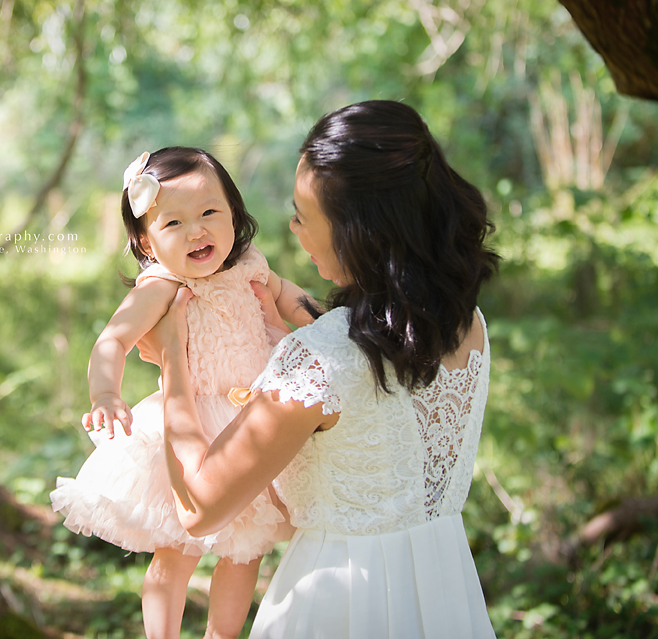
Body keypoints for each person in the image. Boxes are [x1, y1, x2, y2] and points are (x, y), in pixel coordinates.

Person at [141, 101, 501, 638]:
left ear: (360, 232)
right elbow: (369, 410)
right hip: (442, 591)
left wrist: (173, 357)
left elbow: (199, 508)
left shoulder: (320, 358)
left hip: (339, 606)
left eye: (304, 216)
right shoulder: (464, 323)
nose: (293, 229)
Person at [50, 147, 313, 639]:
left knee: (245, 549)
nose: (197, 231)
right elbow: (113, 340)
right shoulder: (162, 286)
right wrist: (105, 392)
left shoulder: (252, 267)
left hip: (250, 425)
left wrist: (333, 323)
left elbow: (294, 300)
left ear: (235, 213)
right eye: (173, 223)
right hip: (188, 423)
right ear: (146, 241)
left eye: (210, 213)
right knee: (178, 548)